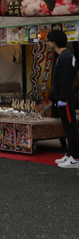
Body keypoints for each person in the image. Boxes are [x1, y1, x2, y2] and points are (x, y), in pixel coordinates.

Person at [47, 30, 79, 168]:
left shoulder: (65, 57)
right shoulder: (63, 56)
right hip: (62, 97)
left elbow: (66, 80)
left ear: (54, 42)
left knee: (70, 126)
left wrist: (63, 98)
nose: (48, 42)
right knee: (67, 126)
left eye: (49, 40)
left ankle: (75, 157)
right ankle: (70, 153)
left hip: (65, 98)